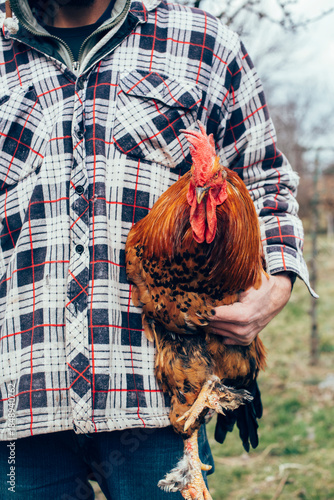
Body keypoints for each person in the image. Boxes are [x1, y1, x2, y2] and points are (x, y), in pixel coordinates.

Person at [0, 0, 316, 498]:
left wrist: (275, 285)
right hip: (19, 399)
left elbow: (265, 178)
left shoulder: (205, 42)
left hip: (163, 393)